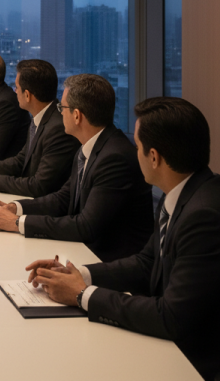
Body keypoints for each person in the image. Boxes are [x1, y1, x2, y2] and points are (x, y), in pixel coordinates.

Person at [26, 97, 220, 381]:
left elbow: (171, 317)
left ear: (154, 157)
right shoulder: (182, 191)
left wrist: (81, 295)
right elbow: (146, 263)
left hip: (191, 362)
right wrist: (77, 274)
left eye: (138, 147)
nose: (134, 152)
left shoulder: (204, 215)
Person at [0, 74, 152, 262]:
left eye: (62, 108)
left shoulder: (114, 157)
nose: (60, 113)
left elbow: (85, 226)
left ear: (77, 115)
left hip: (108, 262)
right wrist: (15, 207)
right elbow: (63, 198)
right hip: (82, 250)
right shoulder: (90, 146)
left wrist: (17, 223)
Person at [0, 59, 77, 197]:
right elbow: (20, 160)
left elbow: (39, 186)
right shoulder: (40, 117)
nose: (15, 92)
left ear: (27, 95)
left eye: (17, 88)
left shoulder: (58, 129)